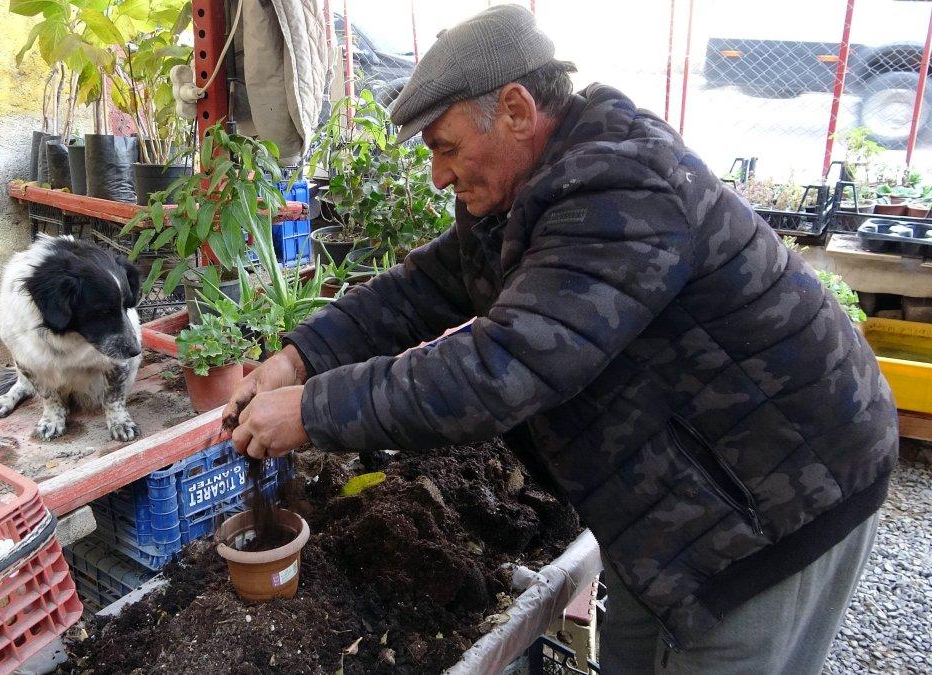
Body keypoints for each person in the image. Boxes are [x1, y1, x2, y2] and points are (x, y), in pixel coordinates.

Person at [222, 5, 897, 673]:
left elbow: (500, 367)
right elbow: (422, 288)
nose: (439, 175)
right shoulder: (528, 187)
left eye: (445, 147)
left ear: (516, 109)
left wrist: (312, 411)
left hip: (777, 497)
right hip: (669, 503)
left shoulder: (620, 190)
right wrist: (297, 358)